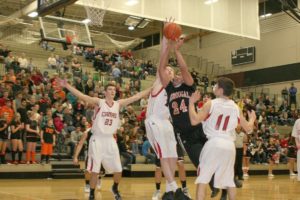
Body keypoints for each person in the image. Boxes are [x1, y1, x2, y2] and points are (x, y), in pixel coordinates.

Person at [57, 78, 151, 200]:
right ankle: (91, 193)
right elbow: (82, 95)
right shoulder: (99, 102)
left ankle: (115, 188)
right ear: (105, 92)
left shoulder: (118, 104)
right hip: (97, 139)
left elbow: (136, 97)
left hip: (110, 140)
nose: (112, 91)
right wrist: (67, 85)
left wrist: (152, 88)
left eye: (114, 90)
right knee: (95, 170)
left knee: (118, 170)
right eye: (110, 89)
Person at [158, 29, 222, 199]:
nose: (177, 75)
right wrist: (168, 48)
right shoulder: (169, 88)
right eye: (175, 74)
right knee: (198, 160)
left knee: (211, 154)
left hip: (199, 127)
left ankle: (220, 182)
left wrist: (177, 50)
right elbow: (161, 68)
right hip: (184, 132)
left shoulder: (189, 86)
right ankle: (213, 184)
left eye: (178, 74)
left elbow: (184, 68)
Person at [188, 77, 256, 200]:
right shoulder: (236, 107)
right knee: (229, 181)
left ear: (220, 90)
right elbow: (249, 129)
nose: (214, 87)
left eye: (216, 86)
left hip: (214, 143)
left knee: (202, 179)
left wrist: (191, 103)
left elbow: (194, 120)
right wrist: (252, 119)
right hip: (230, 146)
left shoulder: (211, 103)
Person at [145, 44, 190, 199]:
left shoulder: (173, 90)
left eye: (172, 70)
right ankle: (175, 189)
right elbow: (161, 63)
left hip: (166, 124)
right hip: (155, 121)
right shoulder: (159, 82)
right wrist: (167, 42)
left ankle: (169, 191)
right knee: (164, 155)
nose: (169, 71)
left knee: (172, 156)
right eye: (167, 70)